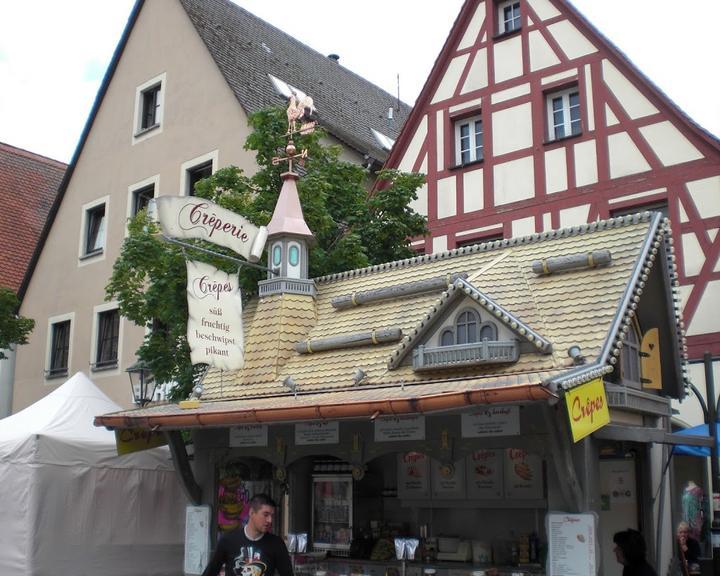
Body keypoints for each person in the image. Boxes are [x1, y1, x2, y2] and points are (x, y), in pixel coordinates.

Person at [202, 493, 294, 576]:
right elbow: (211, 571)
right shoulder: (227, 541)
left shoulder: (276, 544)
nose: (270, 520)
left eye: (271, 515)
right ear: (251, 513)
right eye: (265, 515)